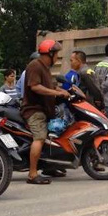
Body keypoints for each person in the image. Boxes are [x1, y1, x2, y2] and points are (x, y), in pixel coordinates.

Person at [21, 40, 71, 184]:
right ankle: (32, 174)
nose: (57, 57)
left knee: (53, 137)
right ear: (50, 53)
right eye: (56, 54)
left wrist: (63, 91)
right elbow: (35, 87)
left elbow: (52, 86)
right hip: (34, 110)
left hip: (45, 110)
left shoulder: (45, 68)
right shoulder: (35, 65)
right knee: (40, 138)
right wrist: (55, 93)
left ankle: (48, 167)